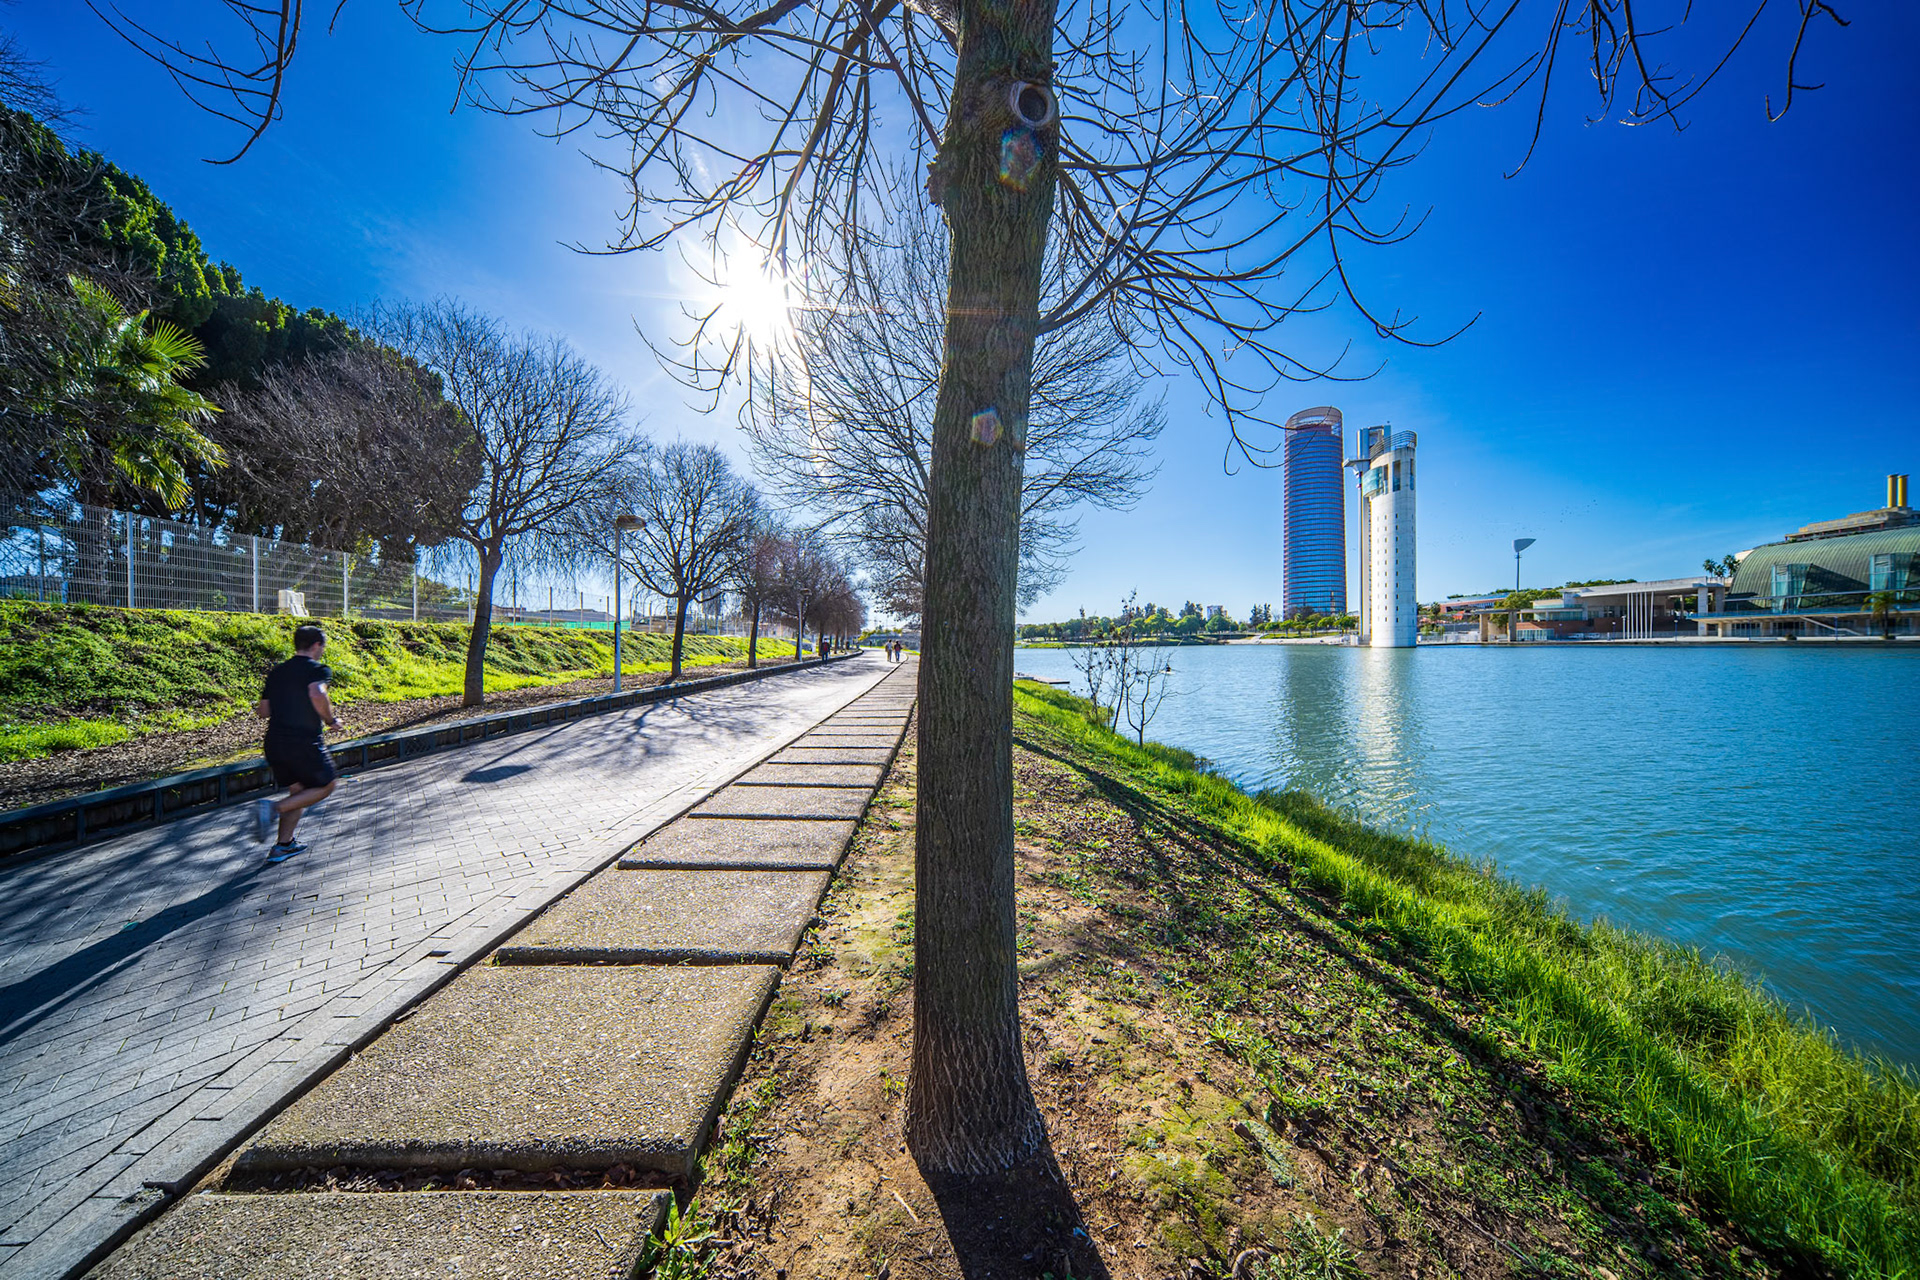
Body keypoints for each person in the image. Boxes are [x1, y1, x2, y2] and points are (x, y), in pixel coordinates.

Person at [251, 624, 344, 862]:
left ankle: (283, 845)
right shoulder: (317, 670)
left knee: (299, 791)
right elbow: (317, 693)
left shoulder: (277, 672)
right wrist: (330, 720)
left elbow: (263, 710)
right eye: (322, 646)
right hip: (302, 741)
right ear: (316, 645)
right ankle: (272, 809)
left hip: (274, 743)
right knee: (327, 784)